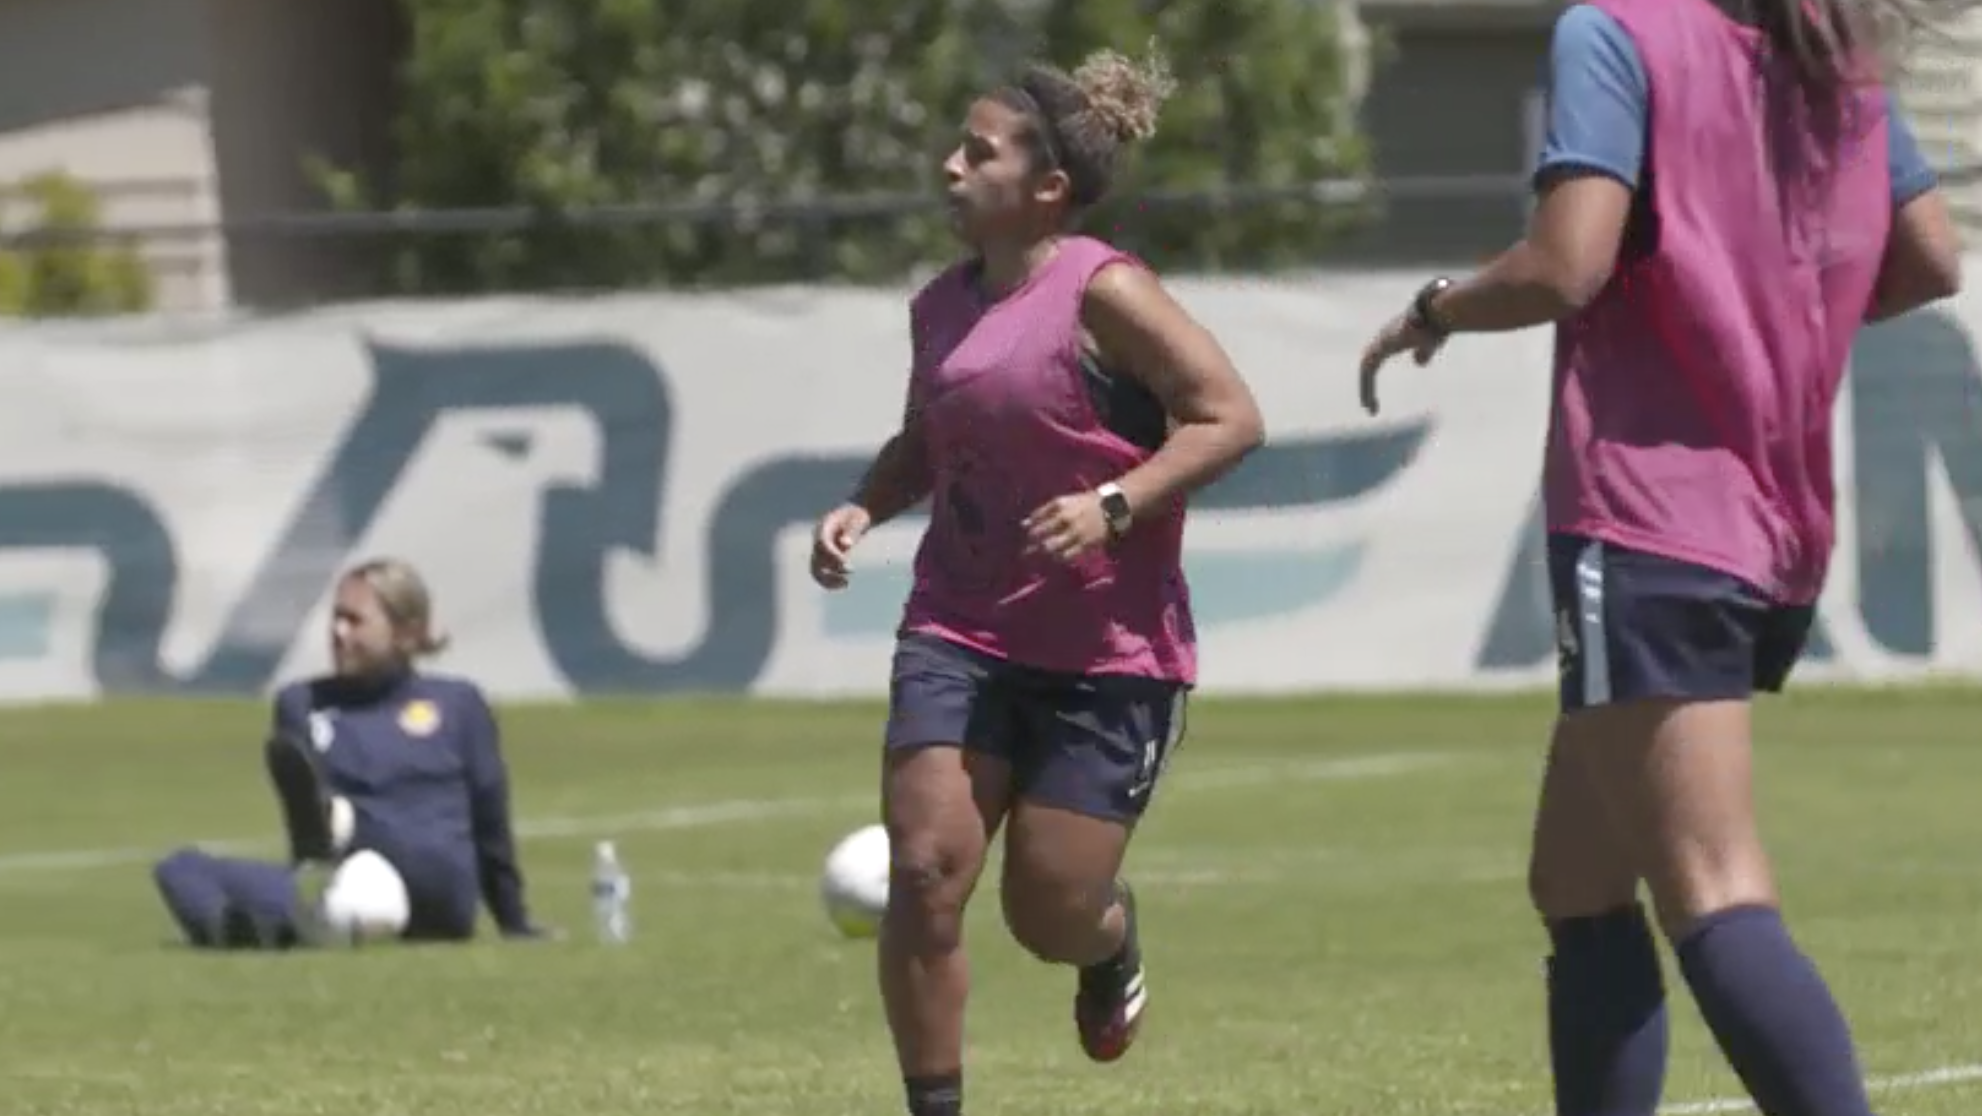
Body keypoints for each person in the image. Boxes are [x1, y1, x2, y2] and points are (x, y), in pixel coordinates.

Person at [1357, 1, 1962, 1114]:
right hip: (1770, 524)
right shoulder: (1829, 56)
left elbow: (1564, 264)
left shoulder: (1615, 32)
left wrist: (1432, 305)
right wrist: (1781, 306)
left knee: (1711, 889)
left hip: (1649, 517)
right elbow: (1927, 259)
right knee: (1575, 881)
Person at [807, 42, 1264, 1116]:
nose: (948, 168)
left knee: (1047, 911)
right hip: (958, 630)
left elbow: (1230, 417)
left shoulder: (1104, 290)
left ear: (1045, 188)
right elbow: (928, 439)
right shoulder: (939, 306)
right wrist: (863, 505)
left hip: (1107, 656)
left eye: (976, 153)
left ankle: (1107, 943)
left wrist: (1114, 503)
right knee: (921, 876)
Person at [152, 558, 550, 949]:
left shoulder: (458, 704)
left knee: (192, 871)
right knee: (180, 868)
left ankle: (271, 932)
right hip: (389, 899)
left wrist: (514, 918)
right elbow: (306, 831)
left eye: (355, 621)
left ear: (406, 633)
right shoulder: (302, 703)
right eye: (335, 618)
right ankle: (248, 931)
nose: (338, 632)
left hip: (410, 894)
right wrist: (514, 923)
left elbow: (490, 818)